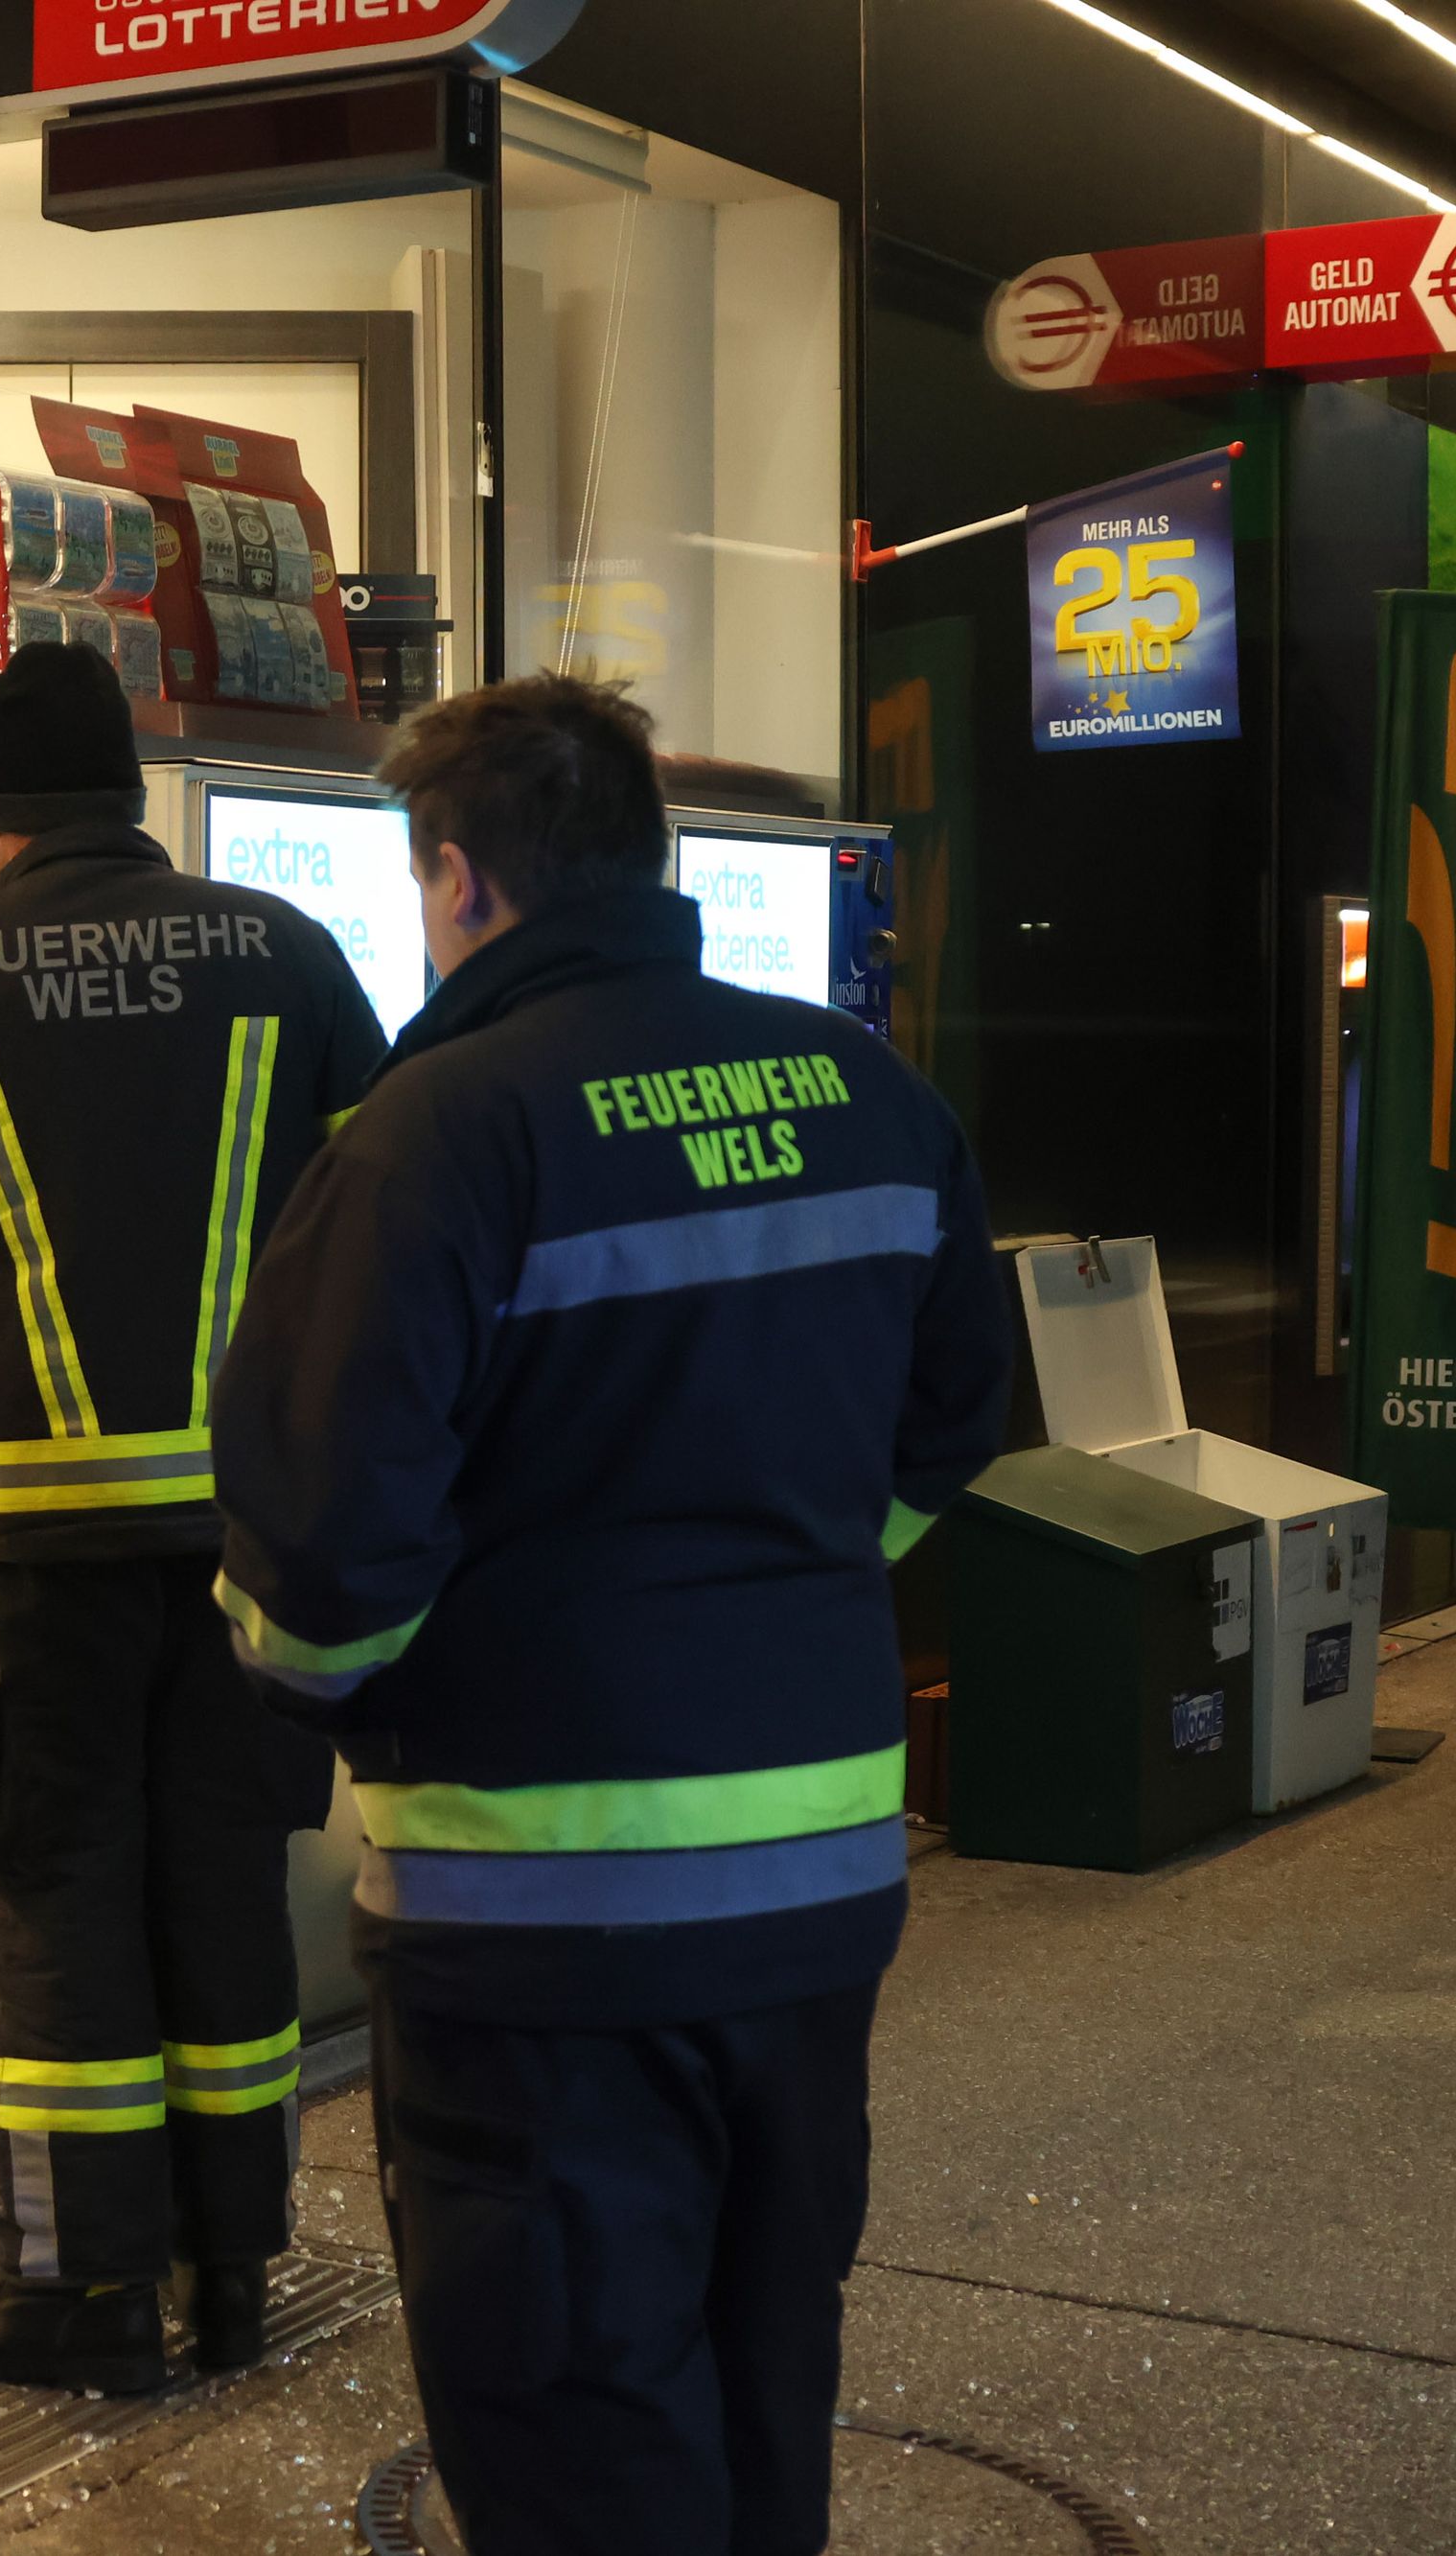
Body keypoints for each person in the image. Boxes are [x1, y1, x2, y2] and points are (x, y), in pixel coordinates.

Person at [207, 674, 1010, 2552]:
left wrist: (339, 1692)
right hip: (817, 1891)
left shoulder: (431, 1135)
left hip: (540, 1918)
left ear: (459, 879)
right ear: (647, 861)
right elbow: (953, 1418)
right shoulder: (870, 1100)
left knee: (575, 2414)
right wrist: (786, 1589)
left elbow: (320, 1562)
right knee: (758, 2369)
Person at [0, 640, 387, 2393]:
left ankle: (76, 2288)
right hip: (244, 1539)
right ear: (131, 793)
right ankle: (231, 2268)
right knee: (223, 1881)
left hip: (40, 1554)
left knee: (53, 1890)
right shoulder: (285, 951)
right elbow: (378, 1174)